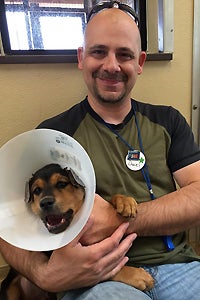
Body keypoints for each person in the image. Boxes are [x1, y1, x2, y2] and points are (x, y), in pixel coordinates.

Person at [1, 1, 200, 300]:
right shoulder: (52, 136)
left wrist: (119, 219)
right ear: (82, 57)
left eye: (124, 54)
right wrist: (44, 274)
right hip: (98, 277)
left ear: (140, 62)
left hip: (180, 266)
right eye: (98, 51)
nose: (111, 65)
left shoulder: (167, 121)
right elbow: (9, 221)